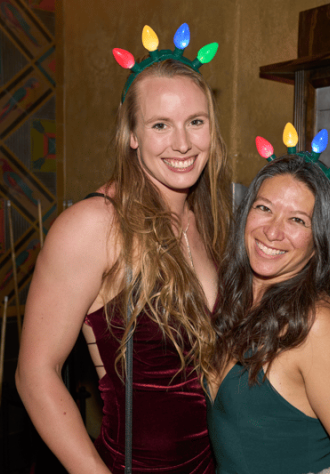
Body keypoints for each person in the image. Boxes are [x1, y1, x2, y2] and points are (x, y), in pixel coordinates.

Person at [16, 24, 232, 474]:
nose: (182, 143)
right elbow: (35, 375)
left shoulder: (208, 220)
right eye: (160, 125)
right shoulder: (95, 226)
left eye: (196, 122)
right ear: (131, 135)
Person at [206, 132, 330, 474]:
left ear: (319, 242)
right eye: (264, 208)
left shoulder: (317, 325)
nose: (273, 231)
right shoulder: (235, 303)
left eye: (297, 220)